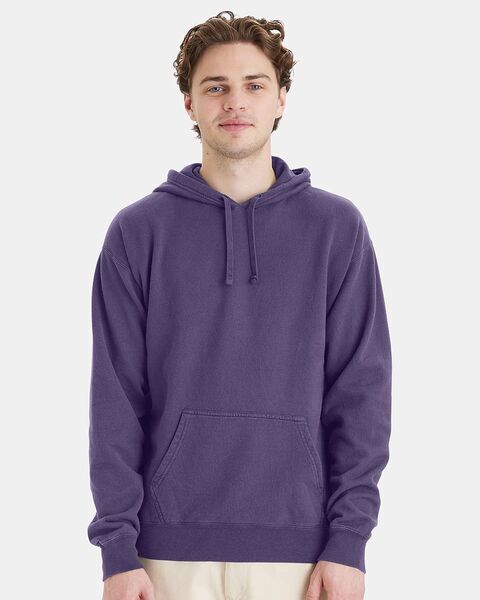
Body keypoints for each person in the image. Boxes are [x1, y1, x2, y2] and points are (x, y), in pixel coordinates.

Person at [87, 10, 392, 600]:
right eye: (215, 87)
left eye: (254, 85)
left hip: (304, 557)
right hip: (162, 557)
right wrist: (117, 551)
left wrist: (349, 541)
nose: (235, 102)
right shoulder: (138, 232)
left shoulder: (336, 228)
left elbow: (362, 394)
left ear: (281, 99)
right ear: (189, 103)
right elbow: (115, 401)